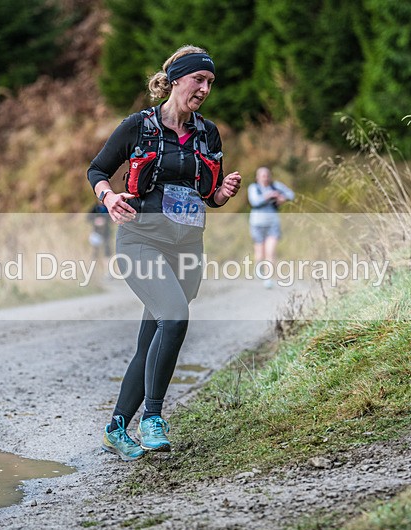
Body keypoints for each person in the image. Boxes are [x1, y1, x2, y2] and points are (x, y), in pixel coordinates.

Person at [87, 45, 242, 461]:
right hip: (141, 239)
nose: (205, 89)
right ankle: (152, 418)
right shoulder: (138, 126)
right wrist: (107, 197)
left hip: (187, 246)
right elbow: (97, 169)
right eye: (199, 80)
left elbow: (208, 192)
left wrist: (221, 193)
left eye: (210, 82)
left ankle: (116, 428)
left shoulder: (208, 133)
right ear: (176, 80)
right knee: (175, 317)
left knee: (152, 339)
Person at [248, 167, 294, 288]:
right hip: (257, 223)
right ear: (257, 177)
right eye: (263, 175)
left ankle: (268, 278)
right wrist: (268, 196)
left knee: (271, 251)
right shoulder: (254, 188)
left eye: (267, 175)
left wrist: (283, 198)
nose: (265, 178)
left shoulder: (276, 186)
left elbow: (291, 194)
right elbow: (254, 202)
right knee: (260, 253)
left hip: (273, 223)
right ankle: (260, 267)